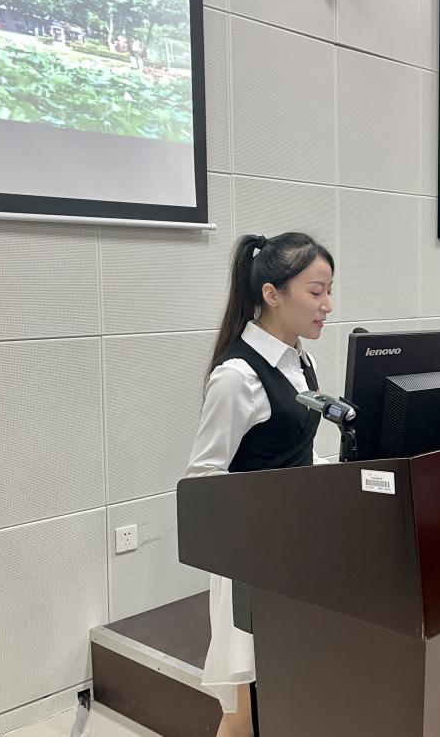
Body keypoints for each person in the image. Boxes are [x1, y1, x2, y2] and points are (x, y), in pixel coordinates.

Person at [186, 231, 335, 737]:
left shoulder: (300, 361)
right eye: (316, 292)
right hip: (251, 564)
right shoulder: (236, 376)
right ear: (272, 294)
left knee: (286, 698)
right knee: (244, 715)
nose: (327, 305)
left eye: (329, 291)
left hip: (296, 552)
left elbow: (294, 453)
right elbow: (203, 480)